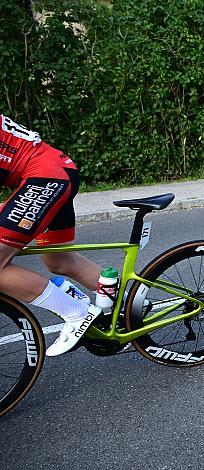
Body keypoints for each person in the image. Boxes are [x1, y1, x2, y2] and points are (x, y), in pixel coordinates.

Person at [0, 114, 104, 356]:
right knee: (59, 260)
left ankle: (76, 313)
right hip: (57, 171)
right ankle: (131, 305)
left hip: (44, 177)